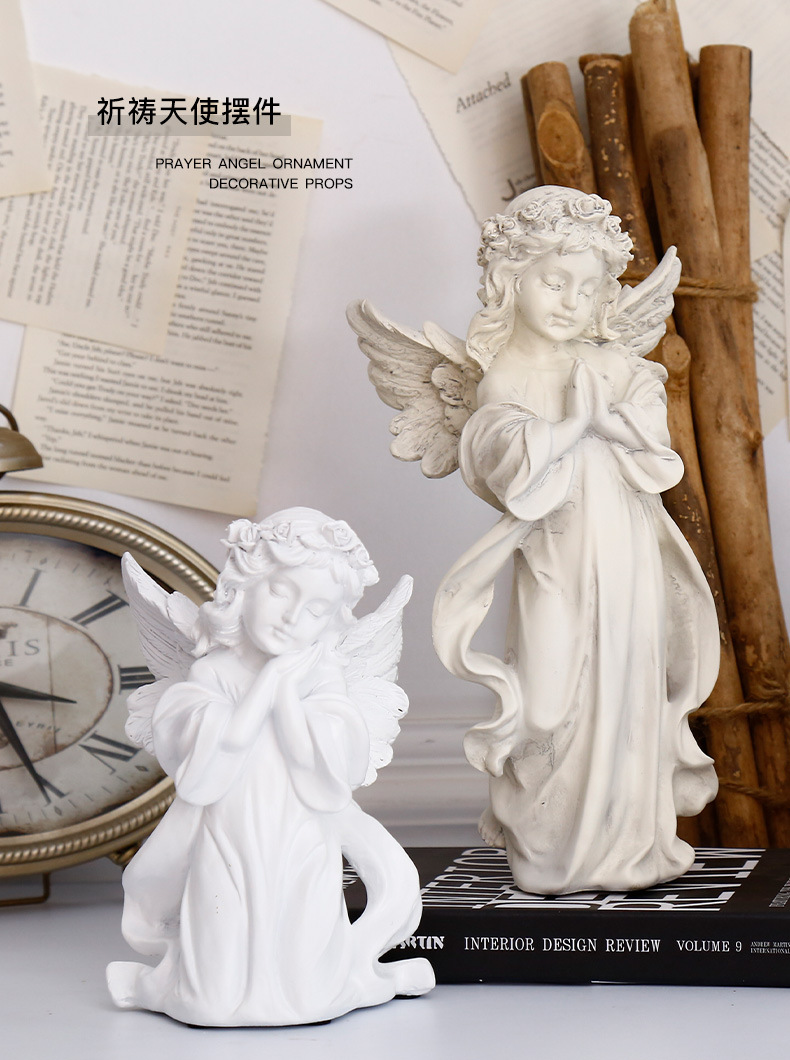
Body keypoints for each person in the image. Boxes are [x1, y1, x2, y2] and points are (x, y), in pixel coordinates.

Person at [432, 188, 719, 894]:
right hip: (556, 554)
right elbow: (500, 460)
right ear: (511, 280)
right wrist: (570, 427)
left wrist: (611, 422)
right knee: (547, 698)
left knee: (629, 683)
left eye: (588, 289)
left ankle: (627, 845)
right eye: (554, 282)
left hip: (627, 551)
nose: (571, 301)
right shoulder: (505, 375)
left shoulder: (619, 367)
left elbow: (659, 456)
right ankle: (548, 845)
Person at [107, 508, 433, 1026]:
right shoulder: (212, 672)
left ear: (331, 620)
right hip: (225, 833)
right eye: (281, 591)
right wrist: (270, 685)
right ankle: (171, 984)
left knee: (310, 989)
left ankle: (360, 977)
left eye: (316, 608)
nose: (292, 617)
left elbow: (329, 764)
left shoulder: (323, 676)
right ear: (243, 587)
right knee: (211, 998)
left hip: (301, 832)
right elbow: (203, 766)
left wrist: (285, 690)